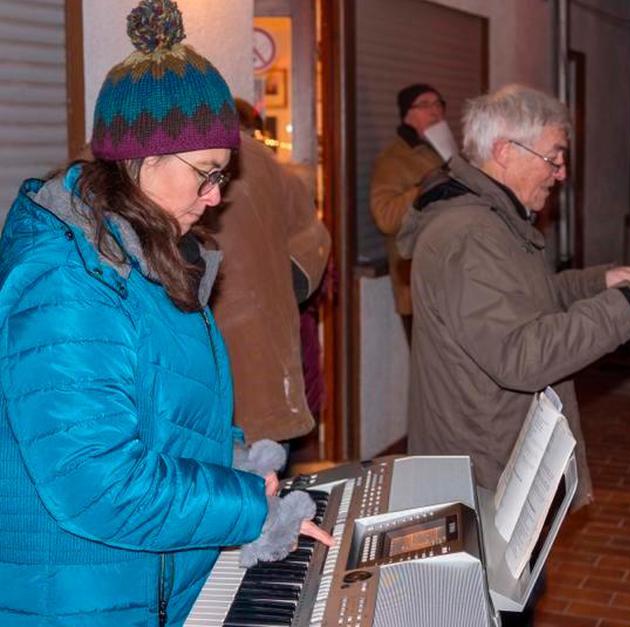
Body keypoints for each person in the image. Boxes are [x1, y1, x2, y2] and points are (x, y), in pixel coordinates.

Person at [0, 1, 331, 624]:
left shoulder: (147, 255)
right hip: (79, 601)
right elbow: (97, 482)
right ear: (140, 159)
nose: (213, 198)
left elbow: (166, 416)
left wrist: (241, 467)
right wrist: (248, 507)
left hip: (137, 585)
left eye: (222, 178)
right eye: (205, 174)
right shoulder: (67, 281)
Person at [398, 84, 630, 510]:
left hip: (492, 459)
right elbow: (522, 355)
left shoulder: (490, 219)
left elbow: (528, 298)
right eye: (553, 156)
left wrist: (602, 283)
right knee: (504, 580)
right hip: (484, 476)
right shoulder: (471, 236)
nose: (561, 172)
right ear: (504, 151)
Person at [209, 100, 331, 444]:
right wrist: (277, 289)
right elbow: (314, 247)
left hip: (212, 379)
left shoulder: (174, 160)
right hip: (268, 368)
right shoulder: (271, 167)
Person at [370, 83, 448, 326]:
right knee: (430, 364)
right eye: (425, 105)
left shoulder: (442, 151)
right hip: (417, 288)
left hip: (450, 283)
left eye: (438, 104)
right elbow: (385, 218)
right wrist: (422, 188)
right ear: (407, 114)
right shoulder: (392, 159)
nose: (435, 111)